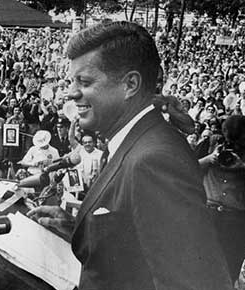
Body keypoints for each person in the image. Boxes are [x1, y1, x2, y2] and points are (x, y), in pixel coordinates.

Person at [28, 21, 231, 290]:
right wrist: (81, 228)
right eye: (71, 81)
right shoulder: (136, 142)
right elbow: (136, 245)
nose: (71, 92)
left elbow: (195, 283)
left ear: (130, 84)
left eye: (85, 82)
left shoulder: (154, 161)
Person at [199, 115, 245, 280]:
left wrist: (244, 169)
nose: (233, 145)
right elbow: (186, 170)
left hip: (237, 219)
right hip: (209, 213)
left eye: (237, 141)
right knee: (201, 268)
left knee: (228, 271)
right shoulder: (211, 143)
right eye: (230, 139)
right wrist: (209, 159)